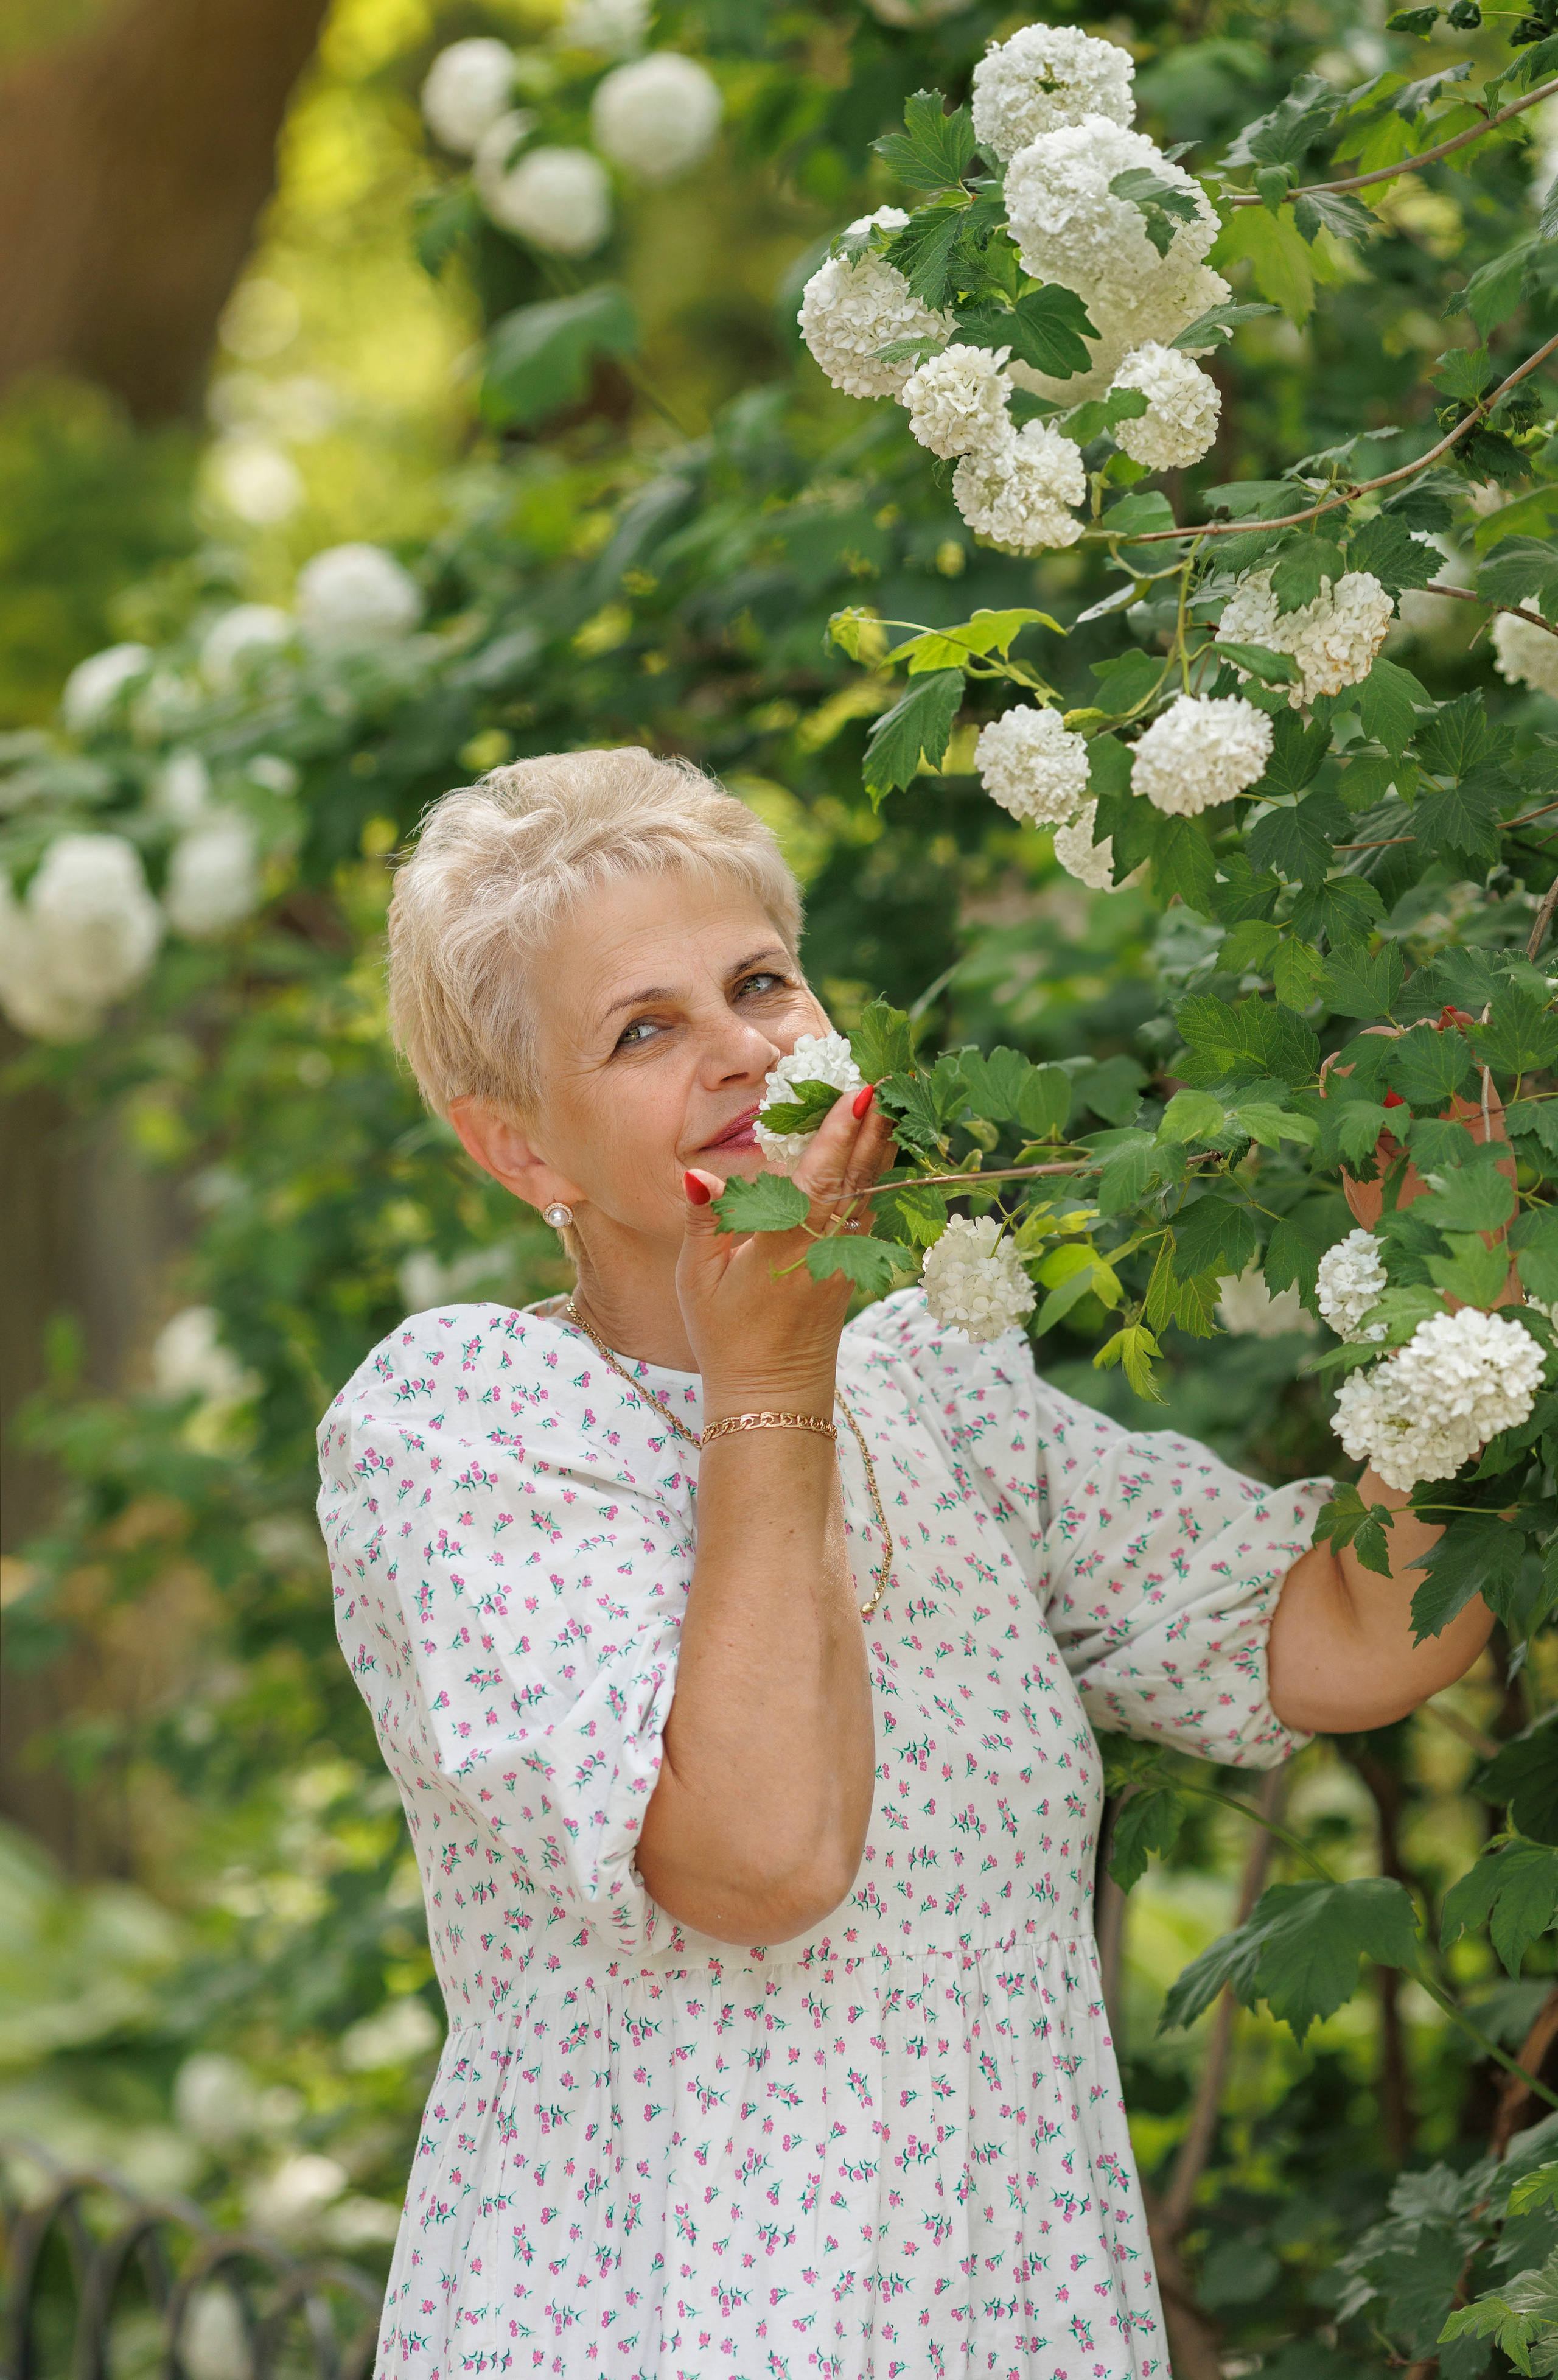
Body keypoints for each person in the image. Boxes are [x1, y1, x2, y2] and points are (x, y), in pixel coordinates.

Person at [317, 748, 1490, 2380]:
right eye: (644, 1030)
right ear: (522, 1151)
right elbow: (760, 1860)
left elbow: (1355, 1633)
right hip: (666, 2329)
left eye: (762, 983)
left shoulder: (929, 1385)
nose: (741, 1051)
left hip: (1003, 2316)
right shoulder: (468, 1427)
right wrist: (773, 1379)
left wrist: (1458, 1278)